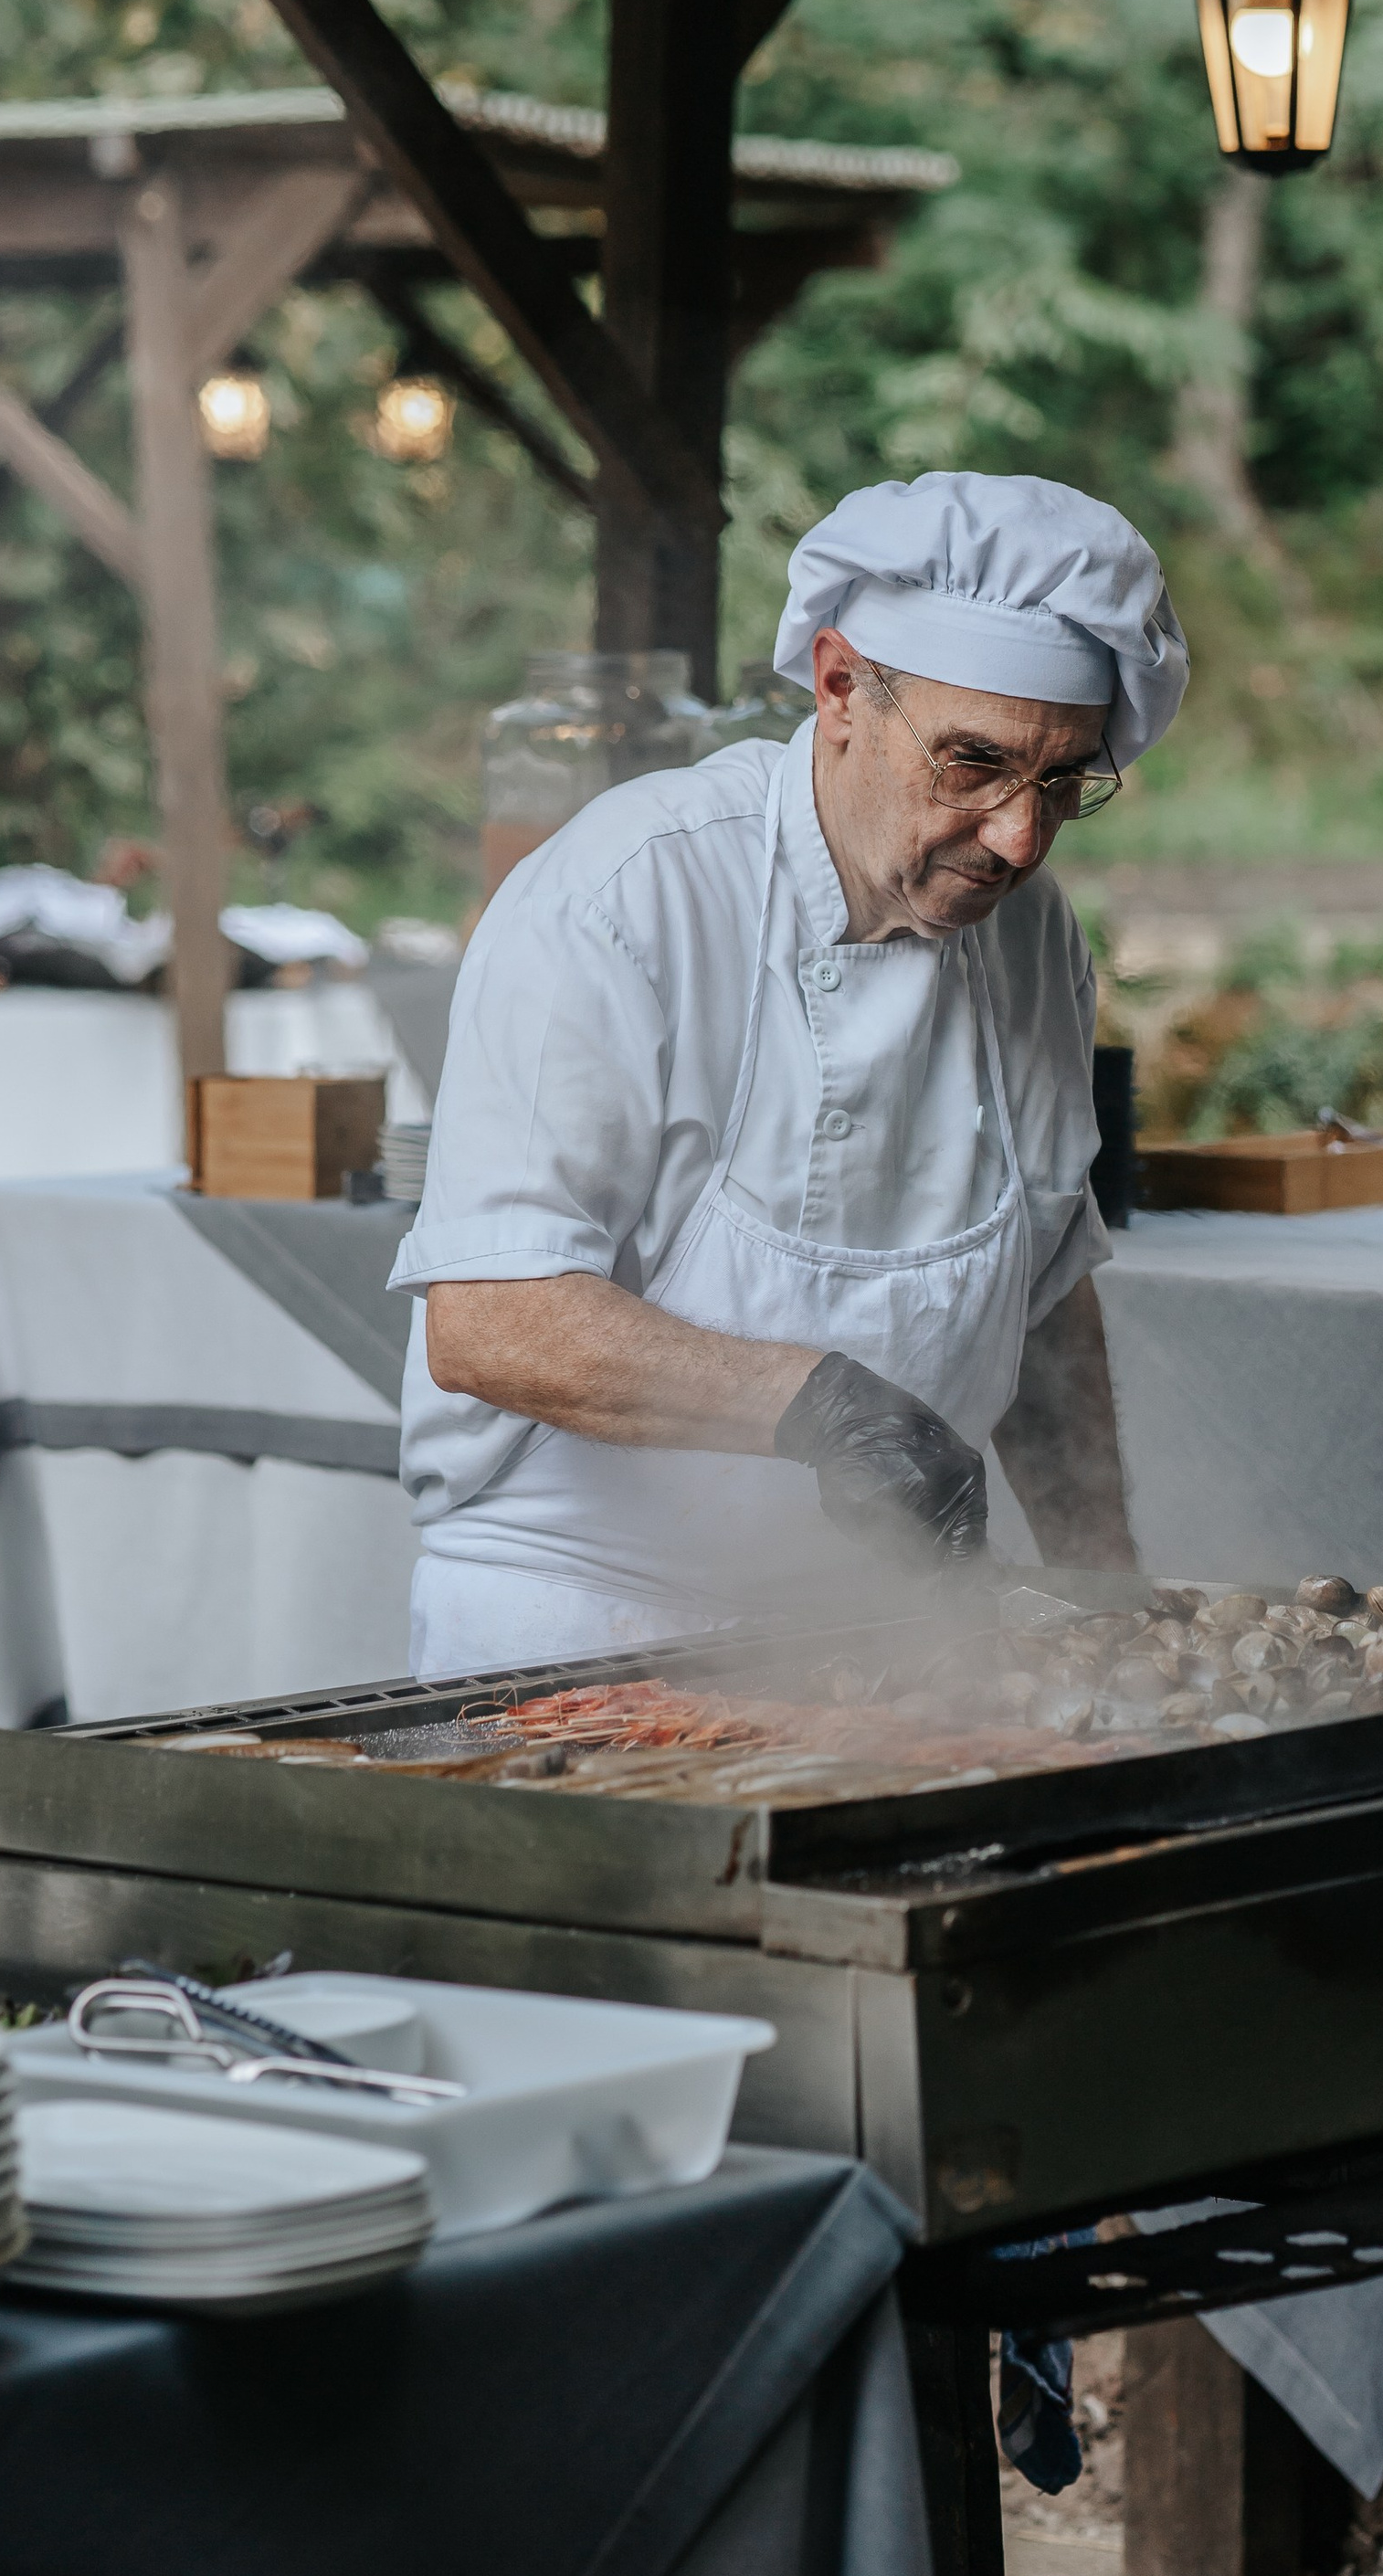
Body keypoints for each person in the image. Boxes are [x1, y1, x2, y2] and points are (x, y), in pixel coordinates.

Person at [386, 470, 1186, 1675]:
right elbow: (492, 1320)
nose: (1021, 839)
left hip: (881, 1644)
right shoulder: (628, 895)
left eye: (1065, 783)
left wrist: (1105, 1588)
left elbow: (1042, 1296)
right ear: (840, 688)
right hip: (584, 1628)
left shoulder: (1034, 939)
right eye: (973, 764)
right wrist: (822, 1405)